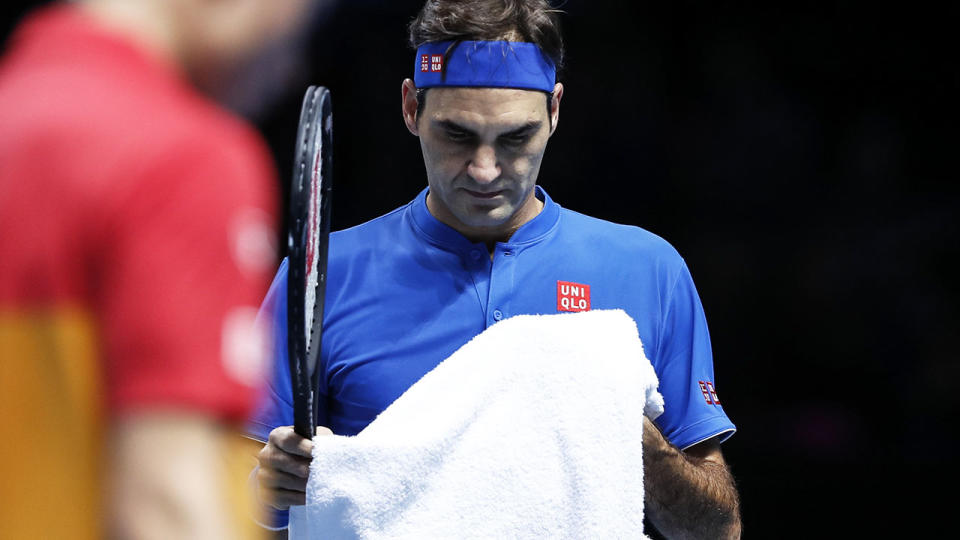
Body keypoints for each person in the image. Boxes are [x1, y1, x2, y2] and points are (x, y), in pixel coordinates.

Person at [250, 0, 742, 537]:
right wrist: (263, 490)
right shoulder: (323, 275)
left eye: (515, 138)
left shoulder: (650, 269)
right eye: (458, 134)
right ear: (412, 108)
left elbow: (716, 531)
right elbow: (227, 493)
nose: (485, 171)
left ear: (554, 112)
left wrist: (617, 417)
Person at [0, 0, 328, 538]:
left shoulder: (16, 111)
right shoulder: (182, 160)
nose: (288, 65)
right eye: (300, 20)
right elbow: (164, 506)